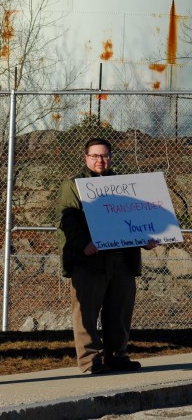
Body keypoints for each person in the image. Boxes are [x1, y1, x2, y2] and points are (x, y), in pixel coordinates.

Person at [56, 137, 157, 374]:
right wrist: (83, 244)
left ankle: (117, 356)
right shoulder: (73, 185)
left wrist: (146, 240)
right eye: (95, 156)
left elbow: (136, 218)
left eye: (104, 156)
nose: (100, 160)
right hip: (90, 259)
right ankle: (90, 360)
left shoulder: (125, 185)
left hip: (122, 259)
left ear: (110, 158)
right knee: (86, 313)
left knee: (120, 311)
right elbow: (68, 220)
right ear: (86, 158)